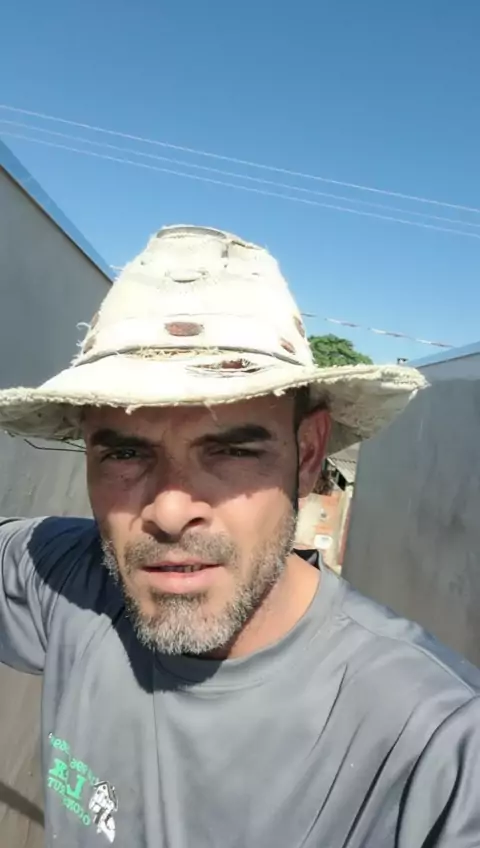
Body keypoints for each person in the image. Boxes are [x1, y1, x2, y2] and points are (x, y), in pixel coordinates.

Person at [0, 224, 478, 848]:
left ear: (308, 455)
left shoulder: (440, 748)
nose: (171, 512)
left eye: (231, 450)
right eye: (125, 453)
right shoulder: (66, 579)